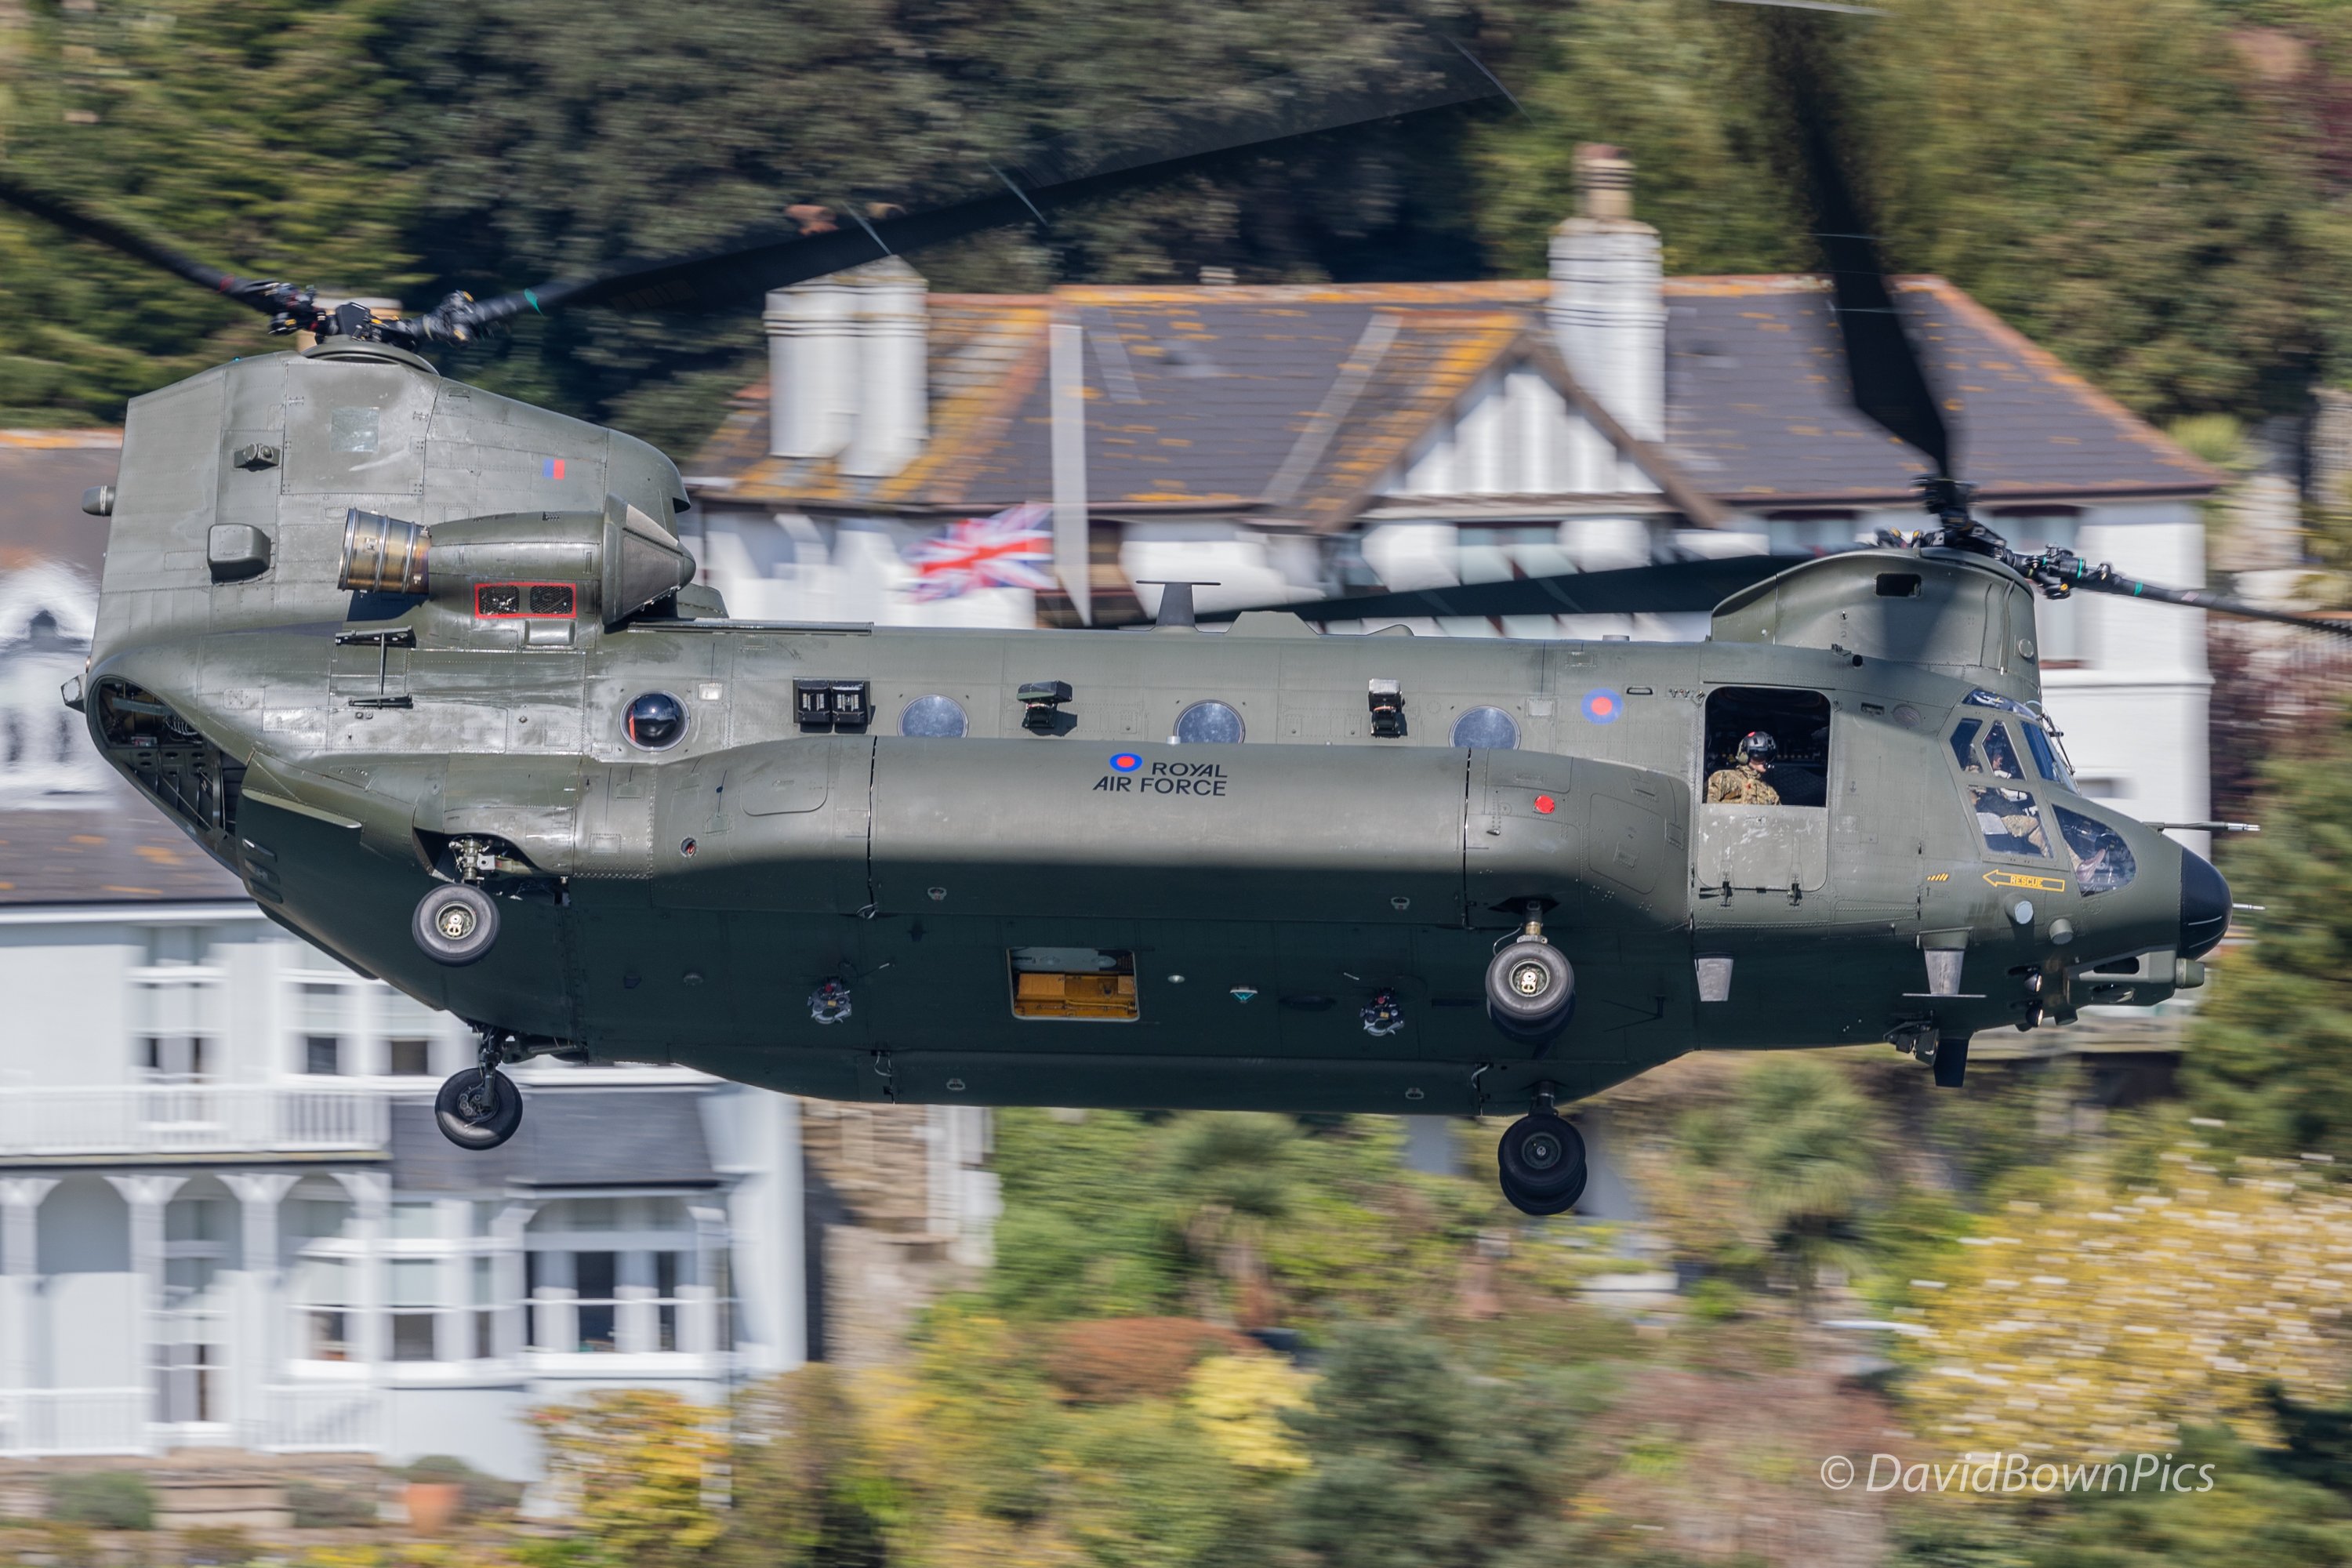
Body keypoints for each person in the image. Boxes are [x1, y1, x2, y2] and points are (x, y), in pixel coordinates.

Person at [1706, 731, 1780, 804]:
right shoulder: (1724, 778)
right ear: (1744, 756)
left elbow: (1780, 814)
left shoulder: (1770, 793)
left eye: (1768, 757)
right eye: (1759, 756)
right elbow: (1708, 806)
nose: (1764, 761)